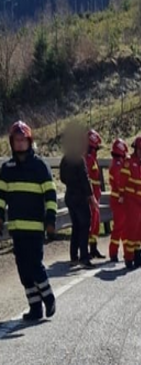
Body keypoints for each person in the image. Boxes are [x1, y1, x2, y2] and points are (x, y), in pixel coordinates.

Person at [0, 121, 57, 321]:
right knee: (23, 271)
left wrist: (51, 220)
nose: (20, 143)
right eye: (17, 140)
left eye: (23, 139)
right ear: (12, 143)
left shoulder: (40, 166)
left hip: (35, 228)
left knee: (35, 266)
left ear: (29, 141)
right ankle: (35, 308)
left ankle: (49, 298)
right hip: (17, 229)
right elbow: (1, 198)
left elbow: (50, 195)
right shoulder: (6, 169)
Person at [59, 127, 96, 268]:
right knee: (84, 225)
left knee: (75, 226)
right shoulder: (79, 160)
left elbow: (62, 178)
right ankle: (84, 257)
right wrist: (91, 196)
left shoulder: (64, 160)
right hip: (80, 197)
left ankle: (74, 256)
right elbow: (85, 179)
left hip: (69, 196)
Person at [123, 136, 141, 270]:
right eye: (139, 150)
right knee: (131, 231)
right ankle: (129, 258)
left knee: (140, 231)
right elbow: (122, 181)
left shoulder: (139, 164)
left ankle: (138, 257)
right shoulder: (129, 162)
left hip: (139, 203)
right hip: (131, 201)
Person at [106, 138, 129, 264]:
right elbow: (121, 182)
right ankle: (114, 252)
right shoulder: (118, 165)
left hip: (118, 199)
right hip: (119, 200)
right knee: (119, 227)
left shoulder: (116, 163)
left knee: (122, 227)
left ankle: (126, 252)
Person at [85, 129, 106, 259]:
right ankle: (86, 251)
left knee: (95, 223)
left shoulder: (92, 158)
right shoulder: (87, 159)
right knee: (90, 222)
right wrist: (91, 195)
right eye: (96, 146)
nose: (97, 149)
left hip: (95, 195)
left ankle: (93, 249)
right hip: (90, 196)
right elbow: (87, 179)